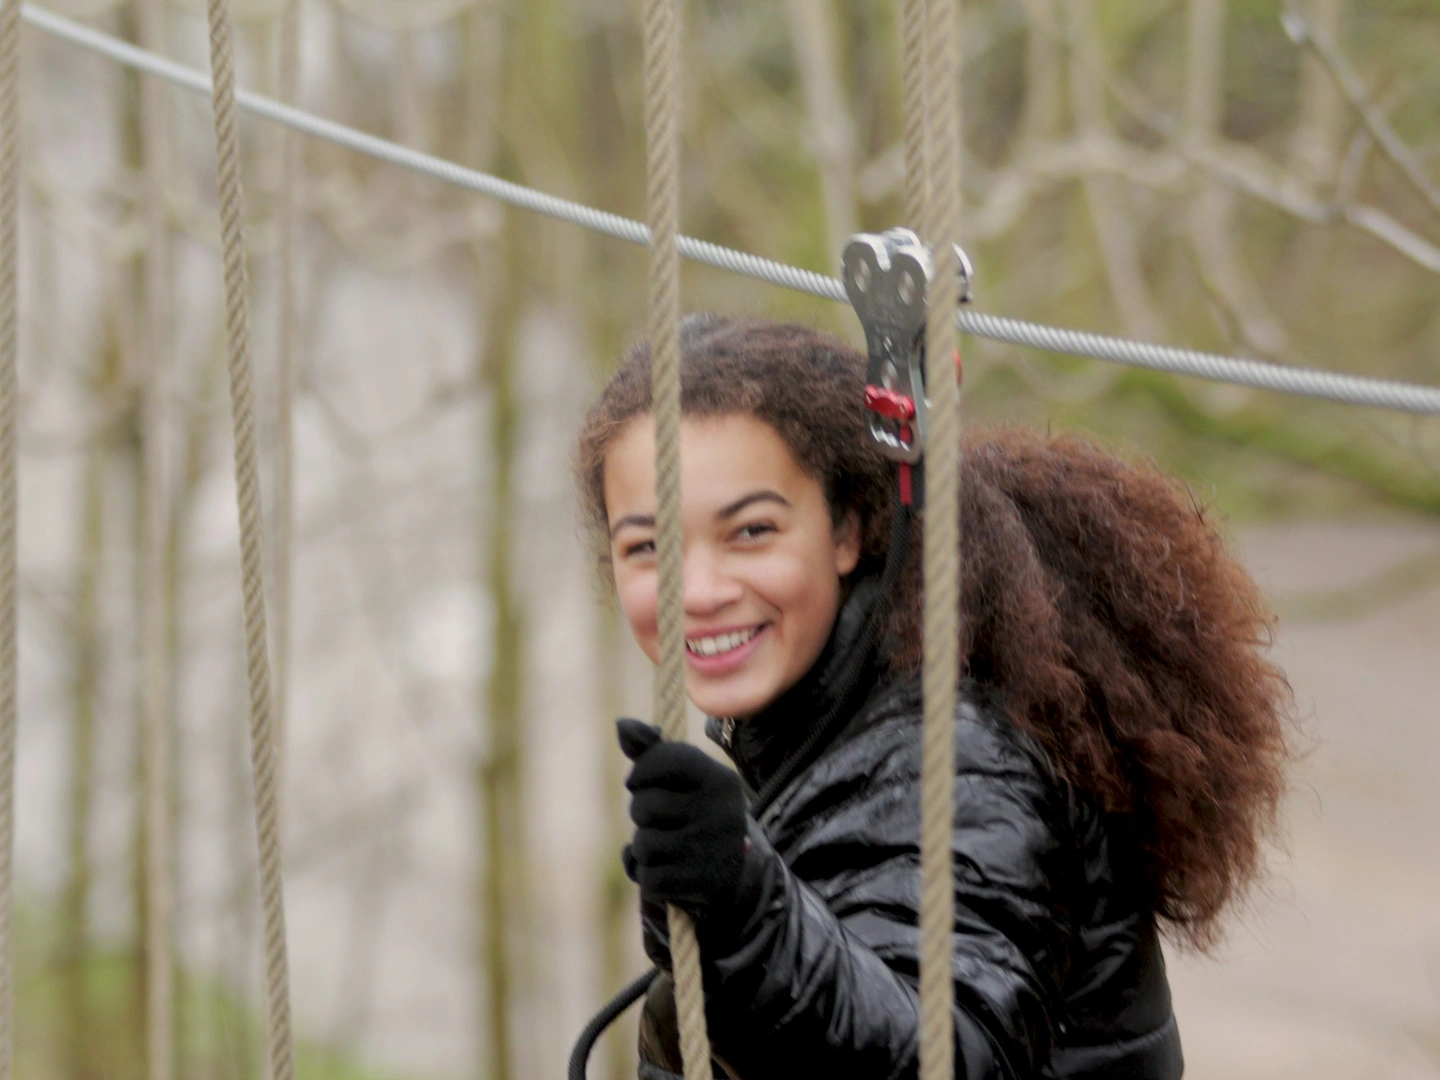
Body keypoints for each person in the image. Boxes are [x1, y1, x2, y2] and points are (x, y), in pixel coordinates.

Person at [573, 314, 1295, 1079]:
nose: (700, 591)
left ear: (848, 530)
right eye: (648, 547)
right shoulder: (814, 726)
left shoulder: (962, 759)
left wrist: (742, 915)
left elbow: (948, 1056)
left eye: (751, 531)